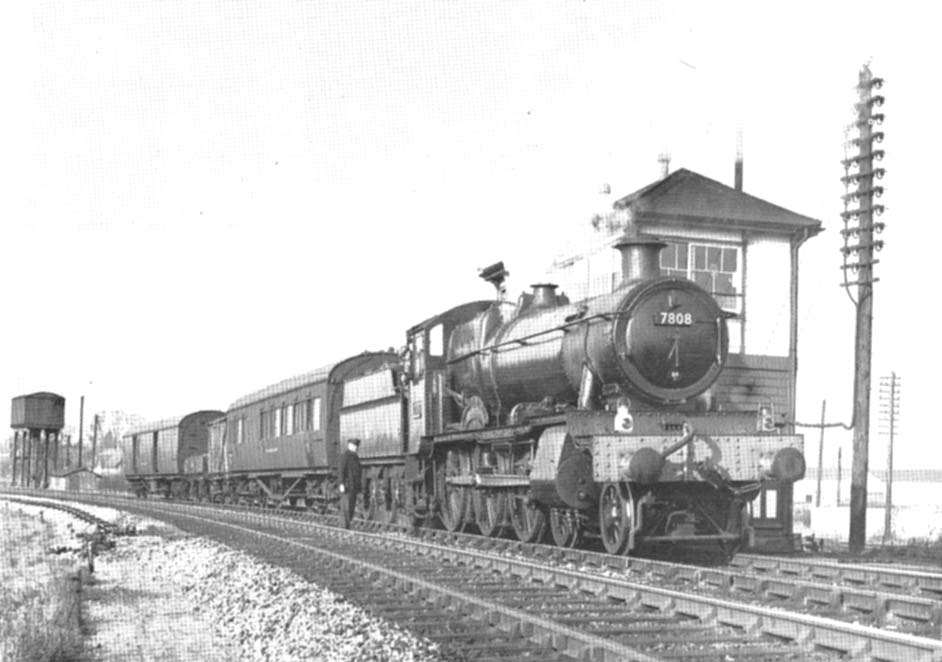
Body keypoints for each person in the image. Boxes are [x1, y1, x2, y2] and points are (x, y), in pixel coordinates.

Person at [338, 438, 362, 529]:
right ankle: (344, 527)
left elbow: (358, 472)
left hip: (353, 486)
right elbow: (341, 471)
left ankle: (347, 526)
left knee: (351, 507)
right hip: (347, 486)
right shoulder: (345, 456)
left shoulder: (356, 458)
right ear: (349, 446)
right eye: (354, 446)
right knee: (346, 507)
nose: (355, 448)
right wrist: (341, 483)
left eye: (356, 446)